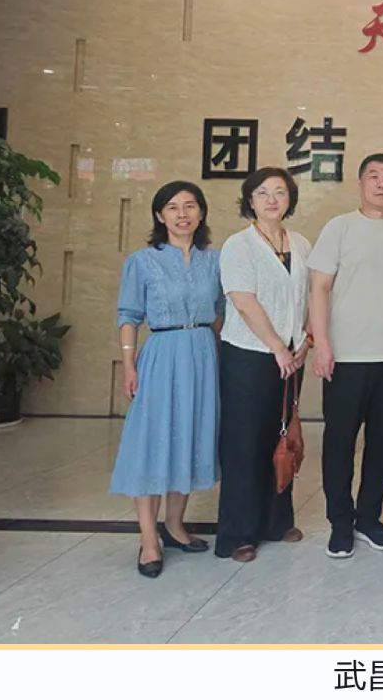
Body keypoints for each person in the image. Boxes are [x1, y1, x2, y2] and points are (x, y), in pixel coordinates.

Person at [109, 181, 225, 578]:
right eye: (172, 207)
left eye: (190, 206)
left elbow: (222, 311)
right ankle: (148, 540)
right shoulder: (143, 261)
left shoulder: (215, 260)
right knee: (152, 443)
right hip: (161, 353)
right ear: (160, 215)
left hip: (202, 354)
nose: (182, 214)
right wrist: (129, 364)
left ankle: (175, 526)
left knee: (189, 439)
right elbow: (128, 315)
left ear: (201, 212)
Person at [308, 153, 383, 560]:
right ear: (360, 183)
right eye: (374, 176)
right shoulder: (340, 228)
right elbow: (319, 288)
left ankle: (368, 518)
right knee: (339, 442)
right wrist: (322, 343)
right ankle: (340, 522)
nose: (382, 184)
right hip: (345, 356)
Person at [215, 167, 312, 562]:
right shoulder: (238, 245)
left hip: (291, 355)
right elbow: (243, 300)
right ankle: (238, 533)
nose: (272, 199)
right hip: (249, 355)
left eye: (280, 192)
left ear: (290, 199)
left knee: (281, 435)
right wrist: (276, 346)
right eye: (262, 193)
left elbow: (309, 297)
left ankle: (276, 521)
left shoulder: (300, 243)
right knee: (244, 443)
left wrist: (305, 340)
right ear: (250, 201)